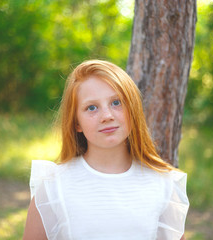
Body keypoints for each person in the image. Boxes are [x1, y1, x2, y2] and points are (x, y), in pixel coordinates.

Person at [23, 60, 189, 240]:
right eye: (91, 107)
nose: (107, 116)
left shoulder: (163, 184)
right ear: (76, 122)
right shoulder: (53, 186)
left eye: (116, 102)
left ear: (132, 109)